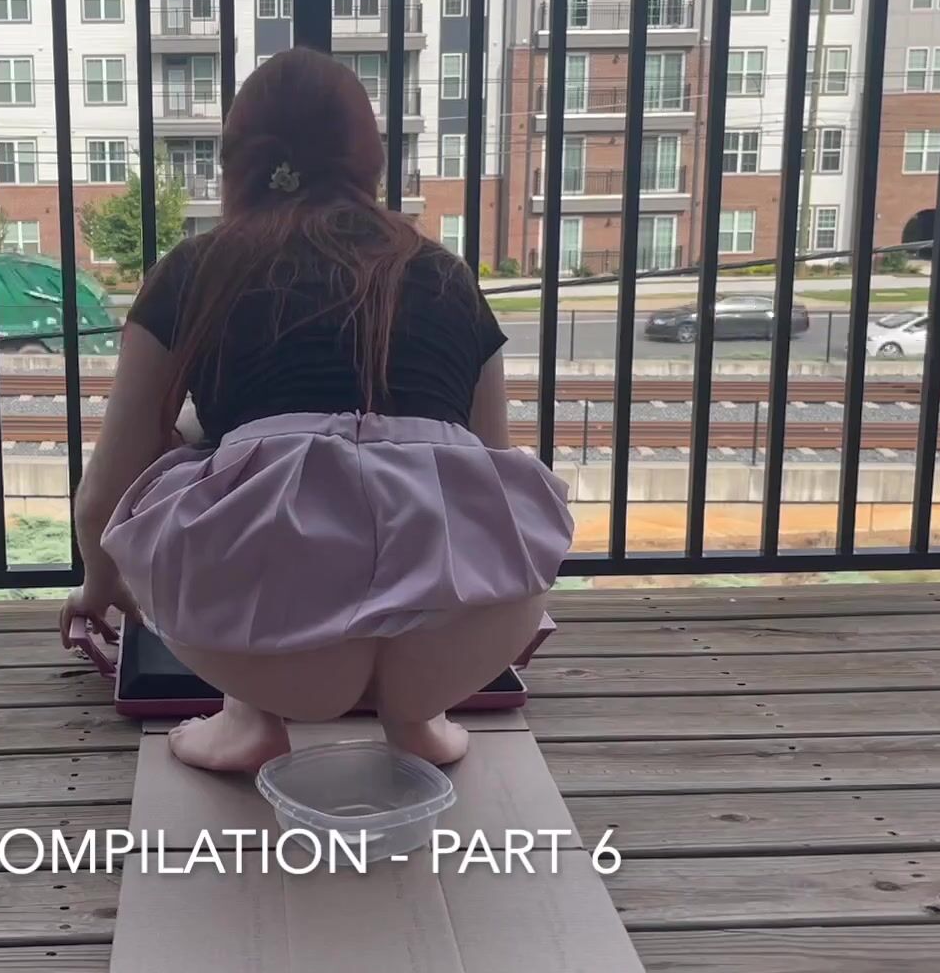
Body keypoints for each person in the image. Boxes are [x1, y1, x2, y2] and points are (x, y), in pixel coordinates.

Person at [60, 47, 575, 773]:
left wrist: (98, 586)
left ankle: (249, 718)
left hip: (270, 651)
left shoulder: (193, 270)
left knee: (196, 445)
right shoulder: (447, 275)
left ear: (237, 159)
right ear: (368, 158)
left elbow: (103, 497)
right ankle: (416, 721)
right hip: (461, 645)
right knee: (431, 465)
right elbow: (492, 461)